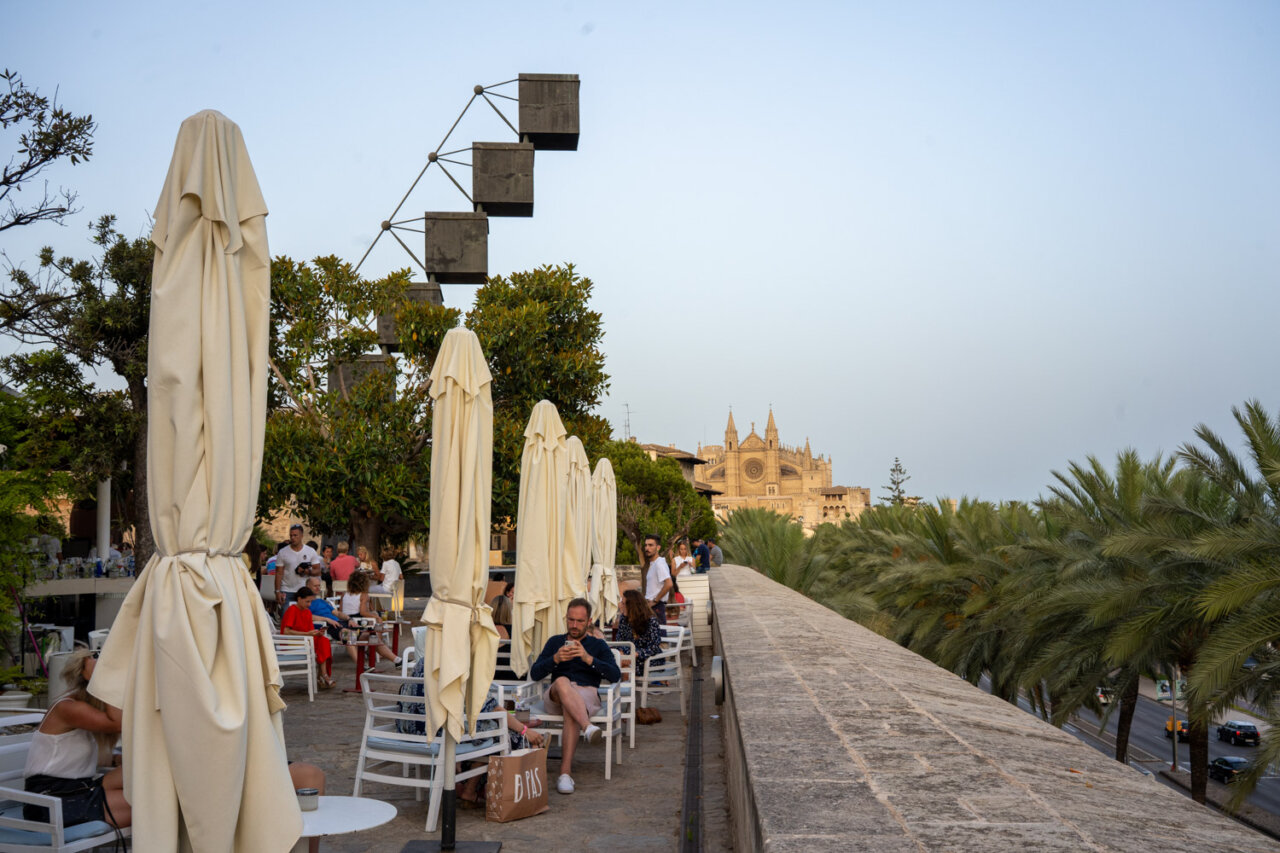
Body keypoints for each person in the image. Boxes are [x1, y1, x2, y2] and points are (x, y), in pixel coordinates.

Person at [23, 650, 130, 829]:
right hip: (50, 801)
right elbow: (118, 723)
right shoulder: (68, 708)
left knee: (143, 774)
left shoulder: (84, 708)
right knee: (147, 805)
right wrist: (102, 678)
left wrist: (114, 759)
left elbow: (71, 755)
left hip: (78, 788)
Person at [529, 598, 621, 795]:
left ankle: (565, 774)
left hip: (586, 695)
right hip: (555, 695)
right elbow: (535, 673)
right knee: (562, 681)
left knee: (570, 709)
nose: (574, 625)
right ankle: (587, 727)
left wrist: (588, 659)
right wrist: (555, 659)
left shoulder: (598, 645)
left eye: (579, 621)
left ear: (589, 621)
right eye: (570, 620)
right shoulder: (555, 642)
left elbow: (615, 675)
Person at [340, 571, 400, 667]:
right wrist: (376, 616)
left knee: (373, 637)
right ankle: (393, 659)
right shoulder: (363, 595)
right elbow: (363, 612)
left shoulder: (344, 594)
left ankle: (395, 660)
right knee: (374, 633)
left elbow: (341, 612)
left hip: (345, 624)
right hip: (357, 625)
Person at [281, 586, 335, 688]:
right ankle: (323, 676)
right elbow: (286, 631)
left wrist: (317, 633)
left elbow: (309, 631)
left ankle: (323, 675)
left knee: (323, 640)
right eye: (307, 602)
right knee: (322, 643)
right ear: (299, 599)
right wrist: (307, 634)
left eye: (310, 602)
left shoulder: (307, 612)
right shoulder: (292, 610)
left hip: (305, 640)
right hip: (292, 642)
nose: (309, 605)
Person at [614, 589, 663, 675]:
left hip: (646, 658)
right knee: (612, 662)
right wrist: (620, 651)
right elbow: (619, 640)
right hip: (627, 656)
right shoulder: (623, 619)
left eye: (623, 603)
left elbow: (654, 647)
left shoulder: (650, 621)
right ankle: (626, 687)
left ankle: (624, 687)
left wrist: (635, 654)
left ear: (632, 606)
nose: (620, 605)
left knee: (622, 666)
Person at [275, 523, 321, 607]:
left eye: (295, 535)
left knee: (303, 617)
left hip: (305, 590)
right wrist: (277, 591)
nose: (292, 538)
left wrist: (307, 571)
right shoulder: (283, 552)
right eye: (291, 535)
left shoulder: (310, 551)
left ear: (302, 536)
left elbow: (318, 571)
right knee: (286, 617)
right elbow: (278, 573)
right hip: (287, 590)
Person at [641, 534, 673, 624]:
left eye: (651, 545)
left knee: (659, 636)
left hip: (656, 607)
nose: (647, 548)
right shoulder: (653, 564)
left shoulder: (659, 563)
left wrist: (655, 600)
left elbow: (669, 583)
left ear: (658, 547)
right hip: (651, 606)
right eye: (646, 545)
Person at [305, 577, 346, 642]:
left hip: (338, 623)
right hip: (326, 626)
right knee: (348, 634)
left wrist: (349, 619)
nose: (318, 588)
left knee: (362, 633)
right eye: (315, 586)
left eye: (319, 586)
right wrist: (327, 619)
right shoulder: (305, 602)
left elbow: (337, 613)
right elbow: (306, 616)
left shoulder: (322, 601)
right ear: (307, 587)